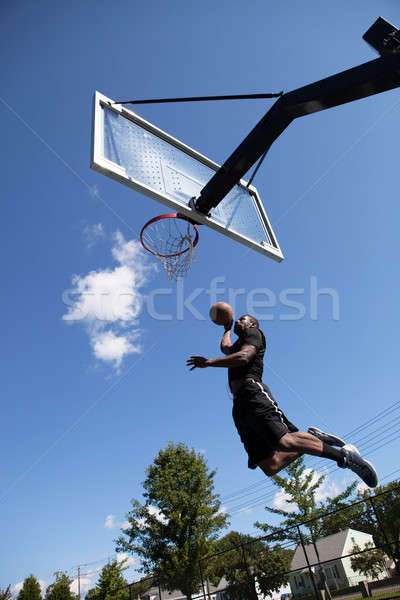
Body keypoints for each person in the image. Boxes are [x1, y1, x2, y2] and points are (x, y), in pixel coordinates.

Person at [186, 314, 378, 488]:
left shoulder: (254, 333)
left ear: (251, 324)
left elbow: (244, 357)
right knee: (271, 465)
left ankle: (346, 458)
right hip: (239, 405)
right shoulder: (238, 343)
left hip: (253, 393)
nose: (237, 321)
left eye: (241, 319)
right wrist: (227, 329)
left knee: (284, 442)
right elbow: (226, 347)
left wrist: (209, 363)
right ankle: (315, 439)